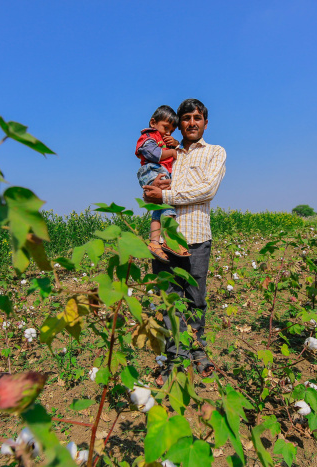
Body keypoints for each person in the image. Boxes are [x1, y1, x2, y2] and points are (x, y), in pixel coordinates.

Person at [143, 98, 226, 384]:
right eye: (186, 118)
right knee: (169, 301)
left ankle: (198, 350)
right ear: (179, 123)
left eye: (197, 118)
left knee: (196, 299)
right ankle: (175, 358)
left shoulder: (215, 152)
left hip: (197, 237)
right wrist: (155, 190)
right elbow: (150, 183)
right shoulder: (170, 155)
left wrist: (165, 195)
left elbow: (206, 190)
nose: (192, 122)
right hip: (166, 240)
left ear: (205, 122)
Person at [135, 105, 189, 262]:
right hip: (152, 170)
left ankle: (154, 242)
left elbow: (173, 148)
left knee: (160, 206)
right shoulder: (148, 138)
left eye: (171, 131)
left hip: (158, 171)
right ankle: (170, 240)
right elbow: (155, 154)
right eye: (165, 128)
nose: (167, 133)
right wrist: (172, 152)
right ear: (153, 123)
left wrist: (175, 143)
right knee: (167, 202)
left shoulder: (164, 139)